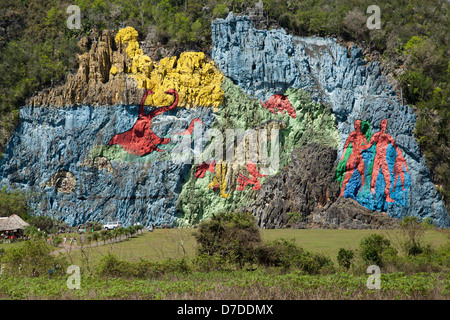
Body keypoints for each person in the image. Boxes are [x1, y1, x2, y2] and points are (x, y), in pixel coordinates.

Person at [362, 119, 396, 202]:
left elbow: (393, 144)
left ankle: (387, 196)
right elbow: (369, 145)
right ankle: (372, 191)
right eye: (383, 123)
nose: (384, 125)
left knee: (387, 177)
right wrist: (361, 147)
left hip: (384, 158)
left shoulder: (388, 137)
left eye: (385, 124)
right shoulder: (376, 135)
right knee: (374, 175)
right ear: (380, 125)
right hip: (377, 157)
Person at [339, 120, 368, 197]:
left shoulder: (363, 136)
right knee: (348, 173)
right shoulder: (353, 134)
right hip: (353, 156)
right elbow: (346, 145)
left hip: (360, 156)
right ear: (355, 126)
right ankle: (342, 192)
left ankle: (363, 191)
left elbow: (366, 145)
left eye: (359, 124)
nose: (357, 126)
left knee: (362, 173)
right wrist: (343, 156)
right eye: (356, 124)